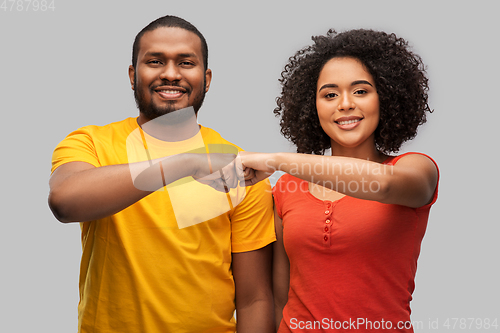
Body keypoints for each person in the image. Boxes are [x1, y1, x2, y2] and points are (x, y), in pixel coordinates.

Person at [48, 15, 275, 333]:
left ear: (206, 78)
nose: (170, 74)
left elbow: (254, 299)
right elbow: (65, 202)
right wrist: (186, 163)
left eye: (185, 62)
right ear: (132, 74)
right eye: (155, 61)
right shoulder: (90, 143)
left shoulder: (239, 168)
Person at [239, 29, 439, 332]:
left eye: (360, 91)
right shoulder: (286, 189)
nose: (345, 104)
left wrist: (276, 161)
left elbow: (382, 184)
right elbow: (281, 298)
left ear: (384, 97)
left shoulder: (416, 169)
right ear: (312, 105)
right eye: (329, 94)